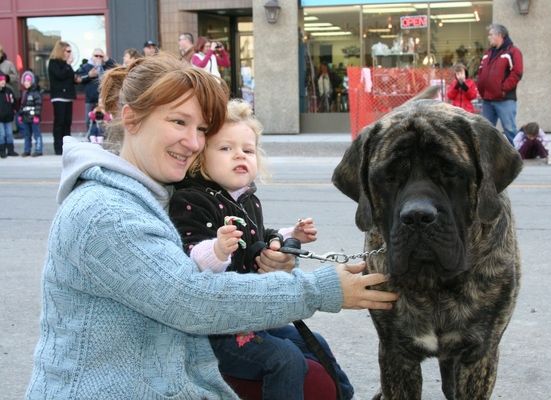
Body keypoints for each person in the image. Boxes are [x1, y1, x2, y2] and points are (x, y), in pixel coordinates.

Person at [26, 53, 398, 399]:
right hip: (114, 389)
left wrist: (275, 260)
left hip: (171, 375)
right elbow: (190, 299)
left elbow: (225, 258)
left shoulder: (164, 191)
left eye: (202, 129)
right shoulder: (106, 213)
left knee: (317, 376)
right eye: (179, 122)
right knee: (301, 373)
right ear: (132, 119)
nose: (193, 142)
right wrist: (319, 290)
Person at [169, 99, 354, 400]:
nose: (239, 155)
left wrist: (289, 235)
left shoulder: (245, 198)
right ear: (200, 158)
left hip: (252, 317)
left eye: (248, 149)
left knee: (315, 342)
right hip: (217, 329)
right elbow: (189, 254)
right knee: (285, 359)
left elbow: (260, 235)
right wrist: (217, 250)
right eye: (225, 148)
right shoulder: (192, 200)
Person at [476, 23, 523, 145]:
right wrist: (481, 89)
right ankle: (487, 155)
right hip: (487, 100)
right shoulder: (487, 54)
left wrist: (503, 89)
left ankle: (517, 154)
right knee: (485, 131)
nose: (489, 37)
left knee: (510, 130)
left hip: (504, 99)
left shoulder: (513, 52)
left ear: (500, 35)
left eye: (491, 34)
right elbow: (480, 72)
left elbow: (517, 73)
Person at [48, 40, 81, 155]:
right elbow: (60, 75)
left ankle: (67, 147)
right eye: (68, 51)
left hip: (68, 96)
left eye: (70, 51)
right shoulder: (53, 63)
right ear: (61, 51)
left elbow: (70, 78)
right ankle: (58, 147)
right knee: (59, 122)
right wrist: (68, 65)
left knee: (67, 122)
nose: (70, 53)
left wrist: (77, 79)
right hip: (59, 97)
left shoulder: (67, 65)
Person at [76, 48, 117, 130]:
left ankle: (103, 137)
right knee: (89, 121)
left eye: (100, 56)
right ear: (92, 56)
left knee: (106, 120)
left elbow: (116, 68)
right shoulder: (86, 66)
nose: (98, 57)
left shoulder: (106, 66)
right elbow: (78, 79)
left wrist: (107, 60)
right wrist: (89, 76)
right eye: (96, 55)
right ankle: (90, 136)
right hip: (90, 99)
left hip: (104, 99)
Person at [17, 70, 43, 157]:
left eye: (28, 81)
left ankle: (38, 150)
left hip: (34, 118)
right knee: (27, 135)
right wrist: (20, 115)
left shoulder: (36, 93)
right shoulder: (25, 93)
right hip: (25, 118)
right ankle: (27, 150)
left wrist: (36, 115)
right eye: (25, 81)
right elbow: (22, 105)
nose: (26, 83)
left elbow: (38, 105)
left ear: (32, 82)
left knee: (37, 134)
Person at [0, 72, 18, 158]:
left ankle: (11, 150)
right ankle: (2, 151)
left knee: (9, 134)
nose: (3, 82)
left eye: (3, 80)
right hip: (0, 118)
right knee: (2, 134)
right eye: (1, 80)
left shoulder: (9, 91)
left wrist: (14, 110)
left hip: (8, 117)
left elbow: (13, 102)